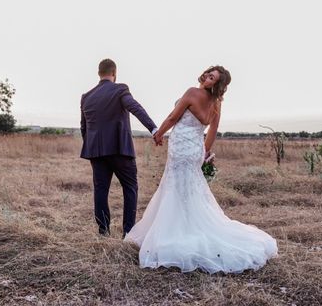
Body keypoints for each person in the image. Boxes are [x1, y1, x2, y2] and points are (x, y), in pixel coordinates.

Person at [124, 66, 278, 273]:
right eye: (208, 73)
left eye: (212, 77)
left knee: (175, 187)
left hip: (181, 147)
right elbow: (213, 129)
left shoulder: (192, 92)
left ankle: (176, 233)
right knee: (189, 189)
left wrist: (159, 134)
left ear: (216, 84)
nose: (207, 77)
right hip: (195, 147)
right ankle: (188, 227)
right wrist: (204, 151)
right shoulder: (216, 104)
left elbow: (172, 118)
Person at [80, 58, 160, 238]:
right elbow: (135, 107)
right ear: (114, 73)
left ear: (99, 73)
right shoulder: (120, 89)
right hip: (120, 150)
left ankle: (103, 231)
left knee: (100, 190)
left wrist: (92, 147)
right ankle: (128, 233)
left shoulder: (87, 96)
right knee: (130, 188)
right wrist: (153, 129)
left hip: (96, 152)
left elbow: (84, 127)